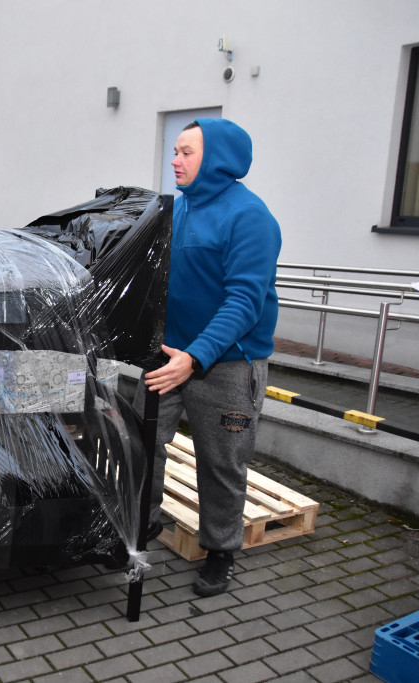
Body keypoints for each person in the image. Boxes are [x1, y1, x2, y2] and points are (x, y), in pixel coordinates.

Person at [139, 119, 281, 597]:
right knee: (144, 443)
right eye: (174, 151)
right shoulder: (174, 211)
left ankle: (221, 551)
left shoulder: (250, 218)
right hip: (169, 356)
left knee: (221, 462)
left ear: (216, 158)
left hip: (228, 365)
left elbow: (244, 301)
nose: (174, 160)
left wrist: (195, 358)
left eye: (185, 152)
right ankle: (144, 523)